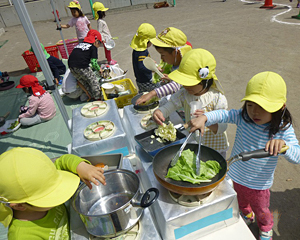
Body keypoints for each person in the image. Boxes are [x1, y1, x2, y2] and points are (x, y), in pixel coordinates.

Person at [189, 71, 300, 240]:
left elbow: (297, 156)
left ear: (281, 107)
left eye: (262, 107)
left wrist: (285, 147)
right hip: (235, 176)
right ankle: (247, 216)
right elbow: (224, 114)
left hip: (259, 185)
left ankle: (265, 227)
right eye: (250, 105)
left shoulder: (282, 129)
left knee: (262, 210)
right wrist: (205, 118)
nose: (254, 112)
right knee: (240, 202)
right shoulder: (243, 117)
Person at [0, 147, 106, 239]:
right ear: (19, 206)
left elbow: (63, 161)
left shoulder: (41, 176)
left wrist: (81, 166)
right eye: (50, 195)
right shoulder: (22, 236)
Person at [152, 48, 229, 158]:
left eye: (190, 83)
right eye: (184, 82)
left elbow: (223, 126)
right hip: (194, 140)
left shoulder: (217, 98)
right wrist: (161, 111)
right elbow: (172, 104)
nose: (186, 86)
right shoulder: (184, 94)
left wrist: (206, 119)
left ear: (205, 80)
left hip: (214, 146)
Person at [135, 27, 192, 105]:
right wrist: (171, 78)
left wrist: (152, 93)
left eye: (163, 55)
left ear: (176, 53)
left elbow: (177, 85)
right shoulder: (175, 64)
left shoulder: (187, 66)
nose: (161, 58)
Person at [68, 29, 103, 101]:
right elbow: (94, 62)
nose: (99, 45)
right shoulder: (93, 47)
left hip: (71, 66)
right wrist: (99, 69)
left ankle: (91, 96)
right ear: (95, 40)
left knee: (84, 81)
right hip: (81, 65)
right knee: (93, 81)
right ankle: (98, 98)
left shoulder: (79, 45)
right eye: (99, 43)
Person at [130, 23, 160, 93]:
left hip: (139, 80)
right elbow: (142, 67)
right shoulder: (142, 52)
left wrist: (150, 61)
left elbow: (140, 61)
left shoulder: (137, 49)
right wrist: (154, 69)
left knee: (143, 94)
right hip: (146, 80)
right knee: (158, 90)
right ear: (147, 41)